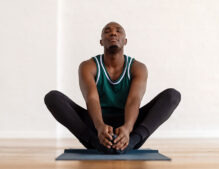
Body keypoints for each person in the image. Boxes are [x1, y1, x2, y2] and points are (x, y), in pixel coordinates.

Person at [44, 22, 181, 154]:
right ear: (101, 42)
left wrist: (127, 128)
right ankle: (98, 143)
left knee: (172, 95)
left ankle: (131, 142)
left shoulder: (137, 67)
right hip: (95, 127)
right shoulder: (88, 66)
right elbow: (92, 98)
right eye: (107, 31)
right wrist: (99, 127)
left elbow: (134, 100)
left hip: (130, 127)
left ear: (125, 41)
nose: (113, 33)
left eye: (118, 31)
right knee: (53, 97)